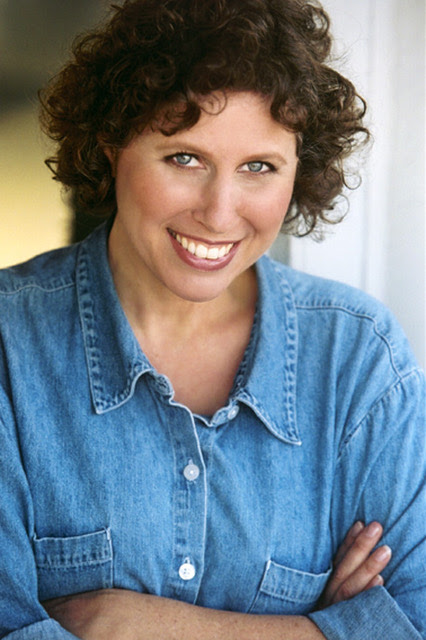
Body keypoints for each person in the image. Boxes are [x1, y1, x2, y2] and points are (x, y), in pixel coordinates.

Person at [0, 0, 424, 638]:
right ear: (112, 144)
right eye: (184, 158)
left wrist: (122, 624)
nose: (220, 214)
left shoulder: (358, 356)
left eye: (259, 167)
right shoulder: (9, 342)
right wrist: (324, 629)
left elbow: (411, 621)